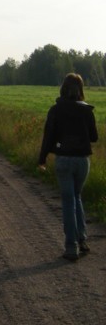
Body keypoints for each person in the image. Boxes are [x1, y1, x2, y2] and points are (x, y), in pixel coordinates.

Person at [39, 73, 98, 261]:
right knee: (77, 197)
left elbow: (48, 137)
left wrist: (42, 158)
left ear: (63, 88)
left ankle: (71, 247)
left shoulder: (56, 110)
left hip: (64, 160)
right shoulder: (87, 110)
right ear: (80, 89)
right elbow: (94, 137)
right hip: (82, 161)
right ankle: (82, 240)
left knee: (68, 202)